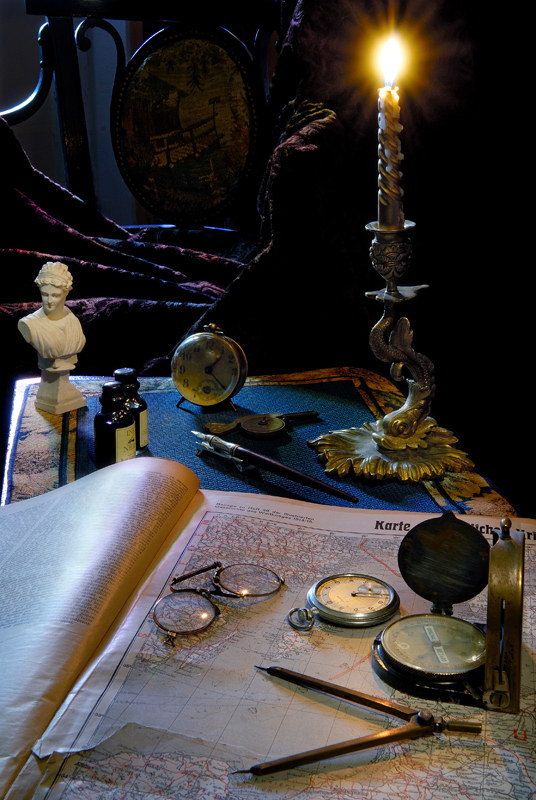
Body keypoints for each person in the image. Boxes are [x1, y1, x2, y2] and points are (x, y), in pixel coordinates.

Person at [18, 262, 87, 413]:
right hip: (48, 391)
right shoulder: (30, 324)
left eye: (55, 295)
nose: (49, 301)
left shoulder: (71, 318)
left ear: (66, 293)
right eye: (45, 294)